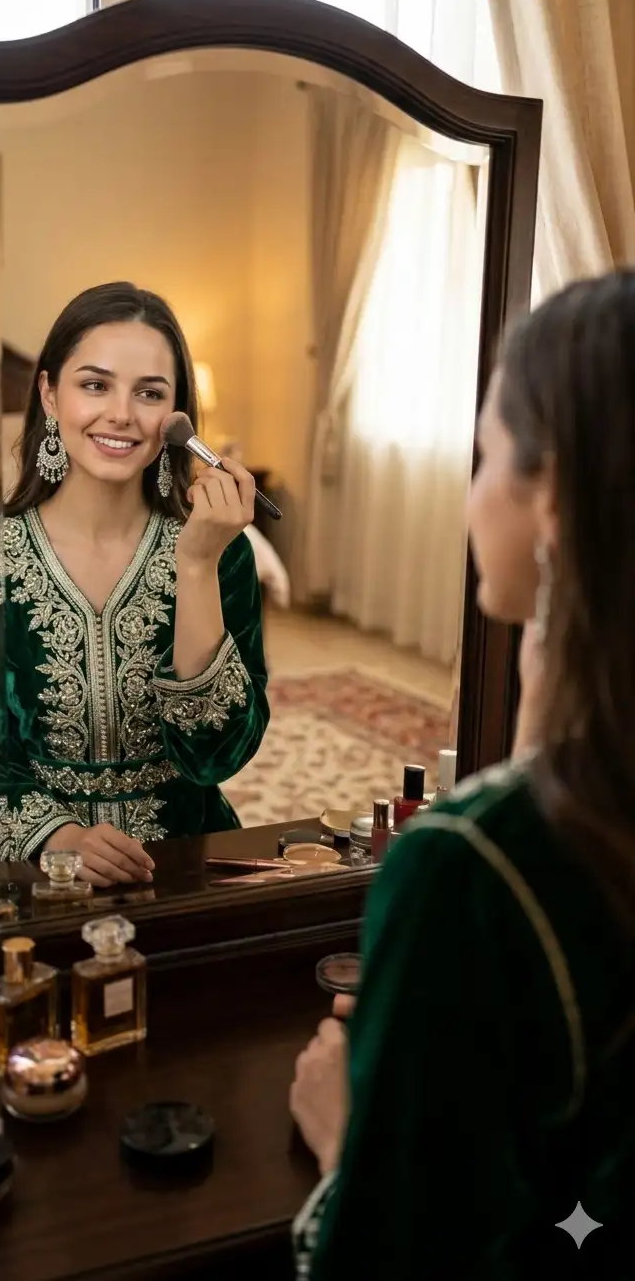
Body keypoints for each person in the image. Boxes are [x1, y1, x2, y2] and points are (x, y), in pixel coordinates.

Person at [289, 272, 635, 1277]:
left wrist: (343, 1141)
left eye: (484, 451)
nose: (470, 483)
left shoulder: (473, 865)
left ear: (554, 493)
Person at [0, 281, 269, 883]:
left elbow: (217, 754)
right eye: (95, 384)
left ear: (176, 417)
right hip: (37, 879)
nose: (121, 413)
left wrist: (196, 565)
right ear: (49, 394)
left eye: (149, 393)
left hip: (186, 864)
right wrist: (54, 834)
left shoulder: (225, 554)